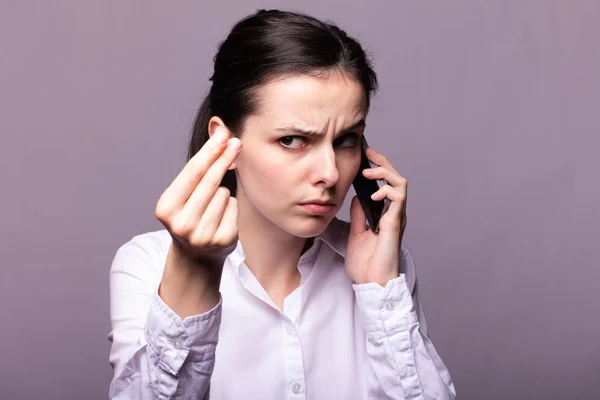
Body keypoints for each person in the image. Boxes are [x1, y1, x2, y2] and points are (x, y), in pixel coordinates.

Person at [108, 9, 456, 400]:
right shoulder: (149, 265)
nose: (329, 173)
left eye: (345, 140)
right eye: (292, 140)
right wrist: (194, 273)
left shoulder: (383, 265)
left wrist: (381, 291)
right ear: (224, 143)